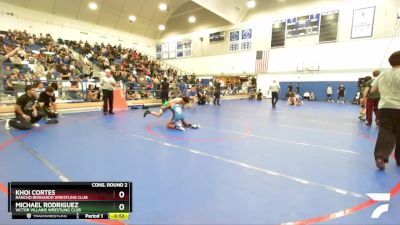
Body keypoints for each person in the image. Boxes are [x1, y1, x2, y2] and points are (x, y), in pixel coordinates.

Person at [370, 51, 400, 170]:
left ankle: (381, 157)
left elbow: (372, 90)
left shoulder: (382, 75)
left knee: (385, 132)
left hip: (385, 107)